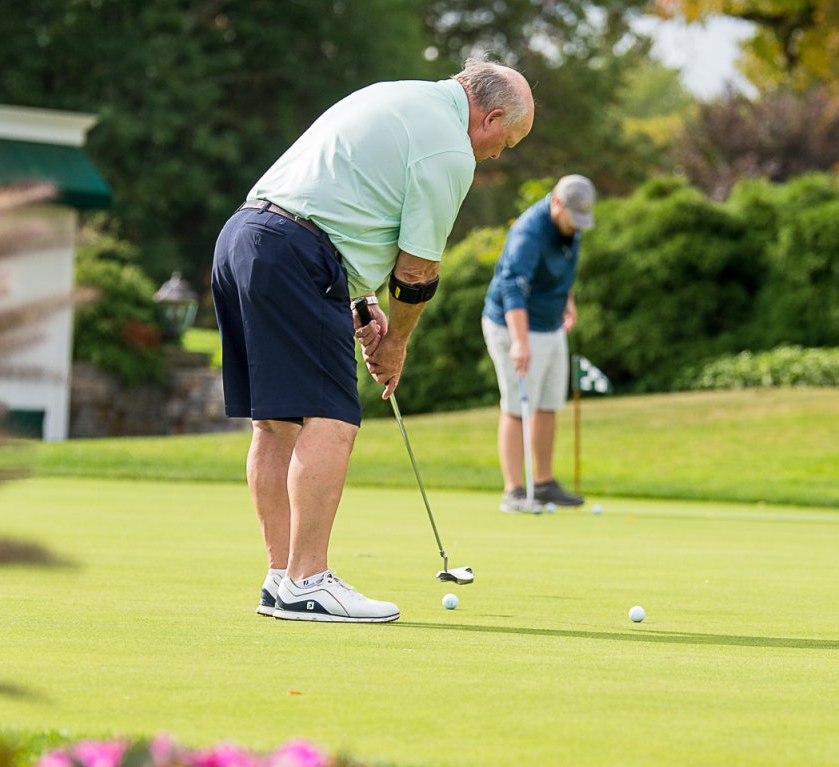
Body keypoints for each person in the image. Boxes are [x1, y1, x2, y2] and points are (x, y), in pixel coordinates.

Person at [211, 59, 534, 623]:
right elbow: (417, 270)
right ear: (493, 117)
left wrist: (358, 299)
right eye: (505, 142)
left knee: (276, 422)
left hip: (244, 238)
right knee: (331, 416)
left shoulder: (395, 95)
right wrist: (396, 345)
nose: (496, 155)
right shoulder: (450, 149)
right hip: (295, 255)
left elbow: (344, 200)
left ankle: (281, 578)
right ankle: (308, 579)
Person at [481, 174, 595, 512]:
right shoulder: (528, 234)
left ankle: (542, 483)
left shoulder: (569, 227)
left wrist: (567, 302)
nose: (576, 227)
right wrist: (519, 342)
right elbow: (511, 287)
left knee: (547, 404)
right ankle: (514, 491)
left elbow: (563, 270)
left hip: (549, 325)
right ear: (557, 203)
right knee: (517, 407)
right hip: (512, 326)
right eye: (572, 218)